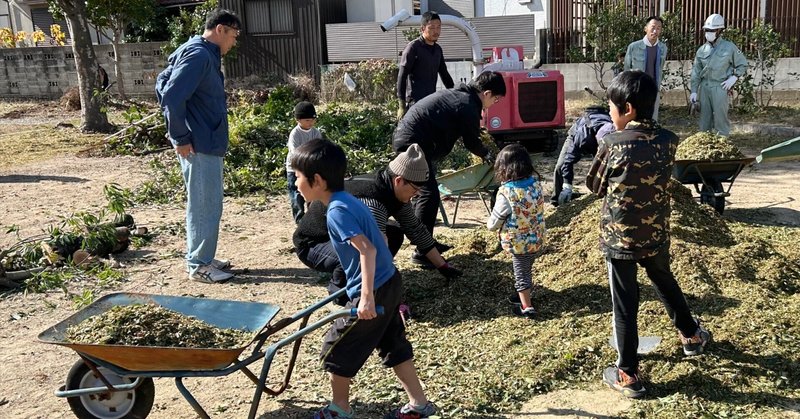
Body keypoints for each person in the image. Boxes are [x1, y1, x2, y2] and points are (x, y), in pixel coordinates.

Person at [586, 70, 712, 399]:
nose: (610, 113)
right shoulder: (669, 140)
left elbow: (595, 185)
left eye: (611, 107)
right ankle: (692, 336)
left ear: (627, 109)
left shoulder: (612, 143)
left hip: (621, 239)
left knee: (625, 303)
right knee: (664, 281)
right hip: (655, 232)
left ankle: (627, 373)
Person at [291, 139, 436, 419]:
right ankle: (419, 405)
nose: (296, 183)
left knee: (336, 346)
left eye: (298, 177)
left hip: (375, 289)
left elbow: (367, 250)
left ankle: (339, 409)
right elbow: (378, 239)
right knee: (393, 343)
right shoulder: (349, 200)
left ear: (317, 180)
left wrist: (366, 296)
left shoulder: (337, 211)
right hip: (391, 281)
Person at [294, 144, 462, 306]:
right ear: (399, 180)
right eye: (415, 189)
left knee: (395, 232)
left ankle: (368, 283)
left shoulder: (395, 192)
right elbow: (373, 250)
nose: (417, 194)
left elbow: (415, 229)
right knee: (357, 253)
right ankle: (342, 292)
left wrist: (442, 266)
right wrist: (393, 299)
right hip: (314, 243)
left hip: (344, 236)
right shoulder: (373, 202)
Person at [155, 9, 241, 284]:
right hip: (200, 144)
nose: (234, 42)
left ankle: (202, 256)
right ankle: (199, 265)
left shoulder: (199, 53)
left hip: (205, 140)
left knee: (206, 203)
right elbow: (171, 95)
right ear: (220, 30)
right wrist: (180, 136)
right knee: (205, 205)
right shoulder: (199, 55)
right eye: (233, 36)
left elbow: (163, 84)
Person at [392, 70, 506, 266]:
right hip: (413, 143)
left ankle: (426, 244)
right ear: (486, 93)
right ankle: (422, 251)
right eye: (495, 100)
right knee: (428, 195)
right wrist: (488, 155)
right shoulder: (468, 105)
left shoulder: (461, 97)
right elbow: (472, 142)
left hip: (416, 141)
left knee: (424, 193)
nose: (493, 105)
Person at [486, 144, 546, 319]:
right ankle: (523, 293)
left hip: (519, 242)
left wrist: (490, 225)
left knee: (521, 273)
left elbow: (494, 222)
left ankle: (527, 307)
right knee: (526, 268)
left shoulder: (507, 192)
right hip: (537, 237)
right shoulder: (535, 185)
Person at [689, 13, 747, 137]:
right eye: (707, 30)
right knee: (704, 120)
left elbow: (742, 64)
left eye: (712, 30)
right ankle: (704, 146)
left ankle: (723, 144)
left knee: (721, 119)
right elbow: (696, 72)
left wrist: (734, 77)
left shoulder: (729, 47)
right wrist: (694, 91)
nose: (709, 33)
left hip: (721, 86)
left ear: (719, 30)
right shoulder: (702, 50)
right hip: (704, 88)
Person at [551, 106, 614, 206]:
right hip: (576, 134)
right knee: (560, 166)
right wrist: (567, 185)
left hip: (596, 138)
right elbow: (568, 161)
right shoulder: (582, 136)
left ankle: (601, 192)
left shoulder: (613, 131)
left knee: (603, 165)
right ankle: (557, 200)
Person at [396, 11, 455, 119]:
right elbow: (402, 76)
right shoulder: (413, 48)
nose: (436, 31)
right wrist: (401, 104)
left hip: (431, 101)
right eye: (432, 28)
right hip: (414, 104)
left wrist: (455, 94)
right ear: (422, 29)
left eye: (438, 27)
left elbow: (444, 74)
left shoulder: (438, 49)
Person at [624, 16, 667, 121]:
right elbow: (626, 69)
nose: (655, 31)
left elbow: (660, 68)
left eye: (658, 28)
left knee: (652, 118)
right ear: (645, 28)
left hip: (653, 89)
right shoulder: (633, 47)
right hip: (636, 89)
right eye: (653, 27)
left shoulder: (663, 48)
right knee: (635, 119)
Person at [286, 101, 321, 223]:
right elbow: (295, 152)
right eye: (307, 120)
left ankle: (313, 218)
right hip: (295, 169)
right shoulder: (295, 134)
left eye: (312, 119)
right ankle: (300, 220)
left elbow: (319, 148)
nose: (310, 122)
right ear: (298, 120)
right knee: (296, 195)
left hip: (311, 168)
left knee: (312, 193)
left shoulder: (316, 132)